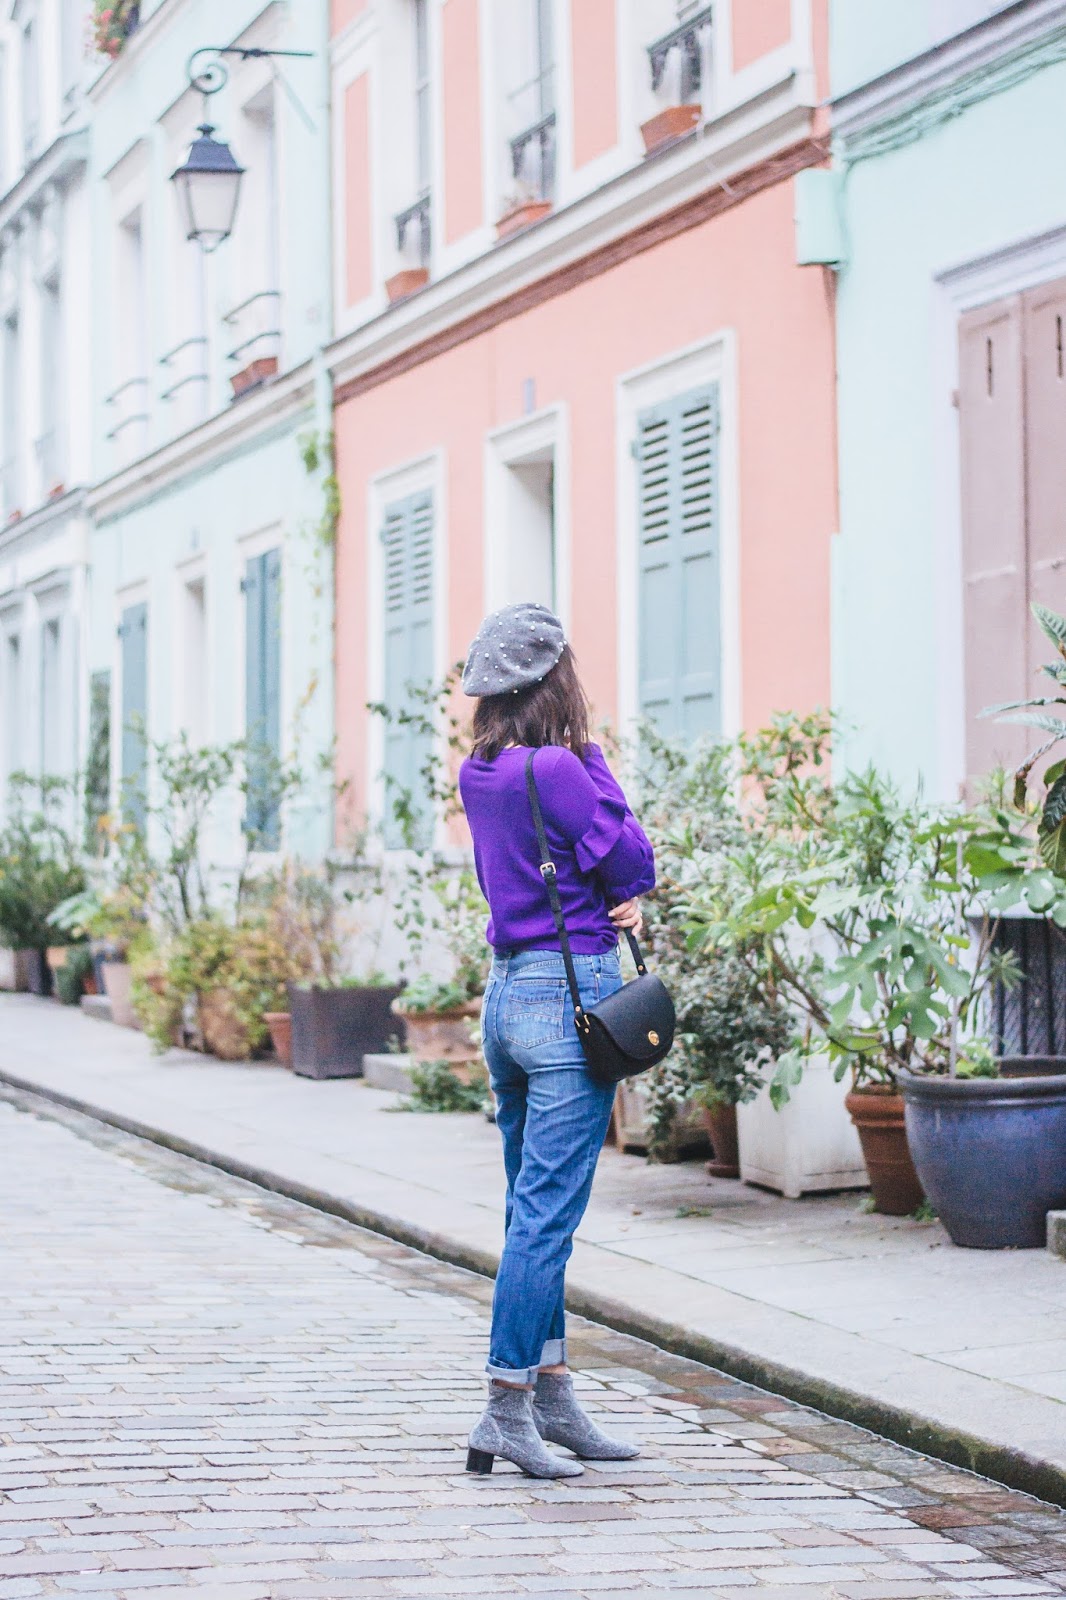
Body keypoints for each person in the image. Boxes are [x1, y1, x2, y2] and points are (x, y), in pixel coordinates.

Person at [458, 601, 655, 1478]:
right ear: (555, 682)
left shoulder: (481, 772)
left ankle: (552, 1395)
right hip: (569, 999)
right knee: (544, 1223)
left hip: (506, 1001)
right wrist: (592, 749)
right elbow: (634, 863)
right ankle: (506, 1404)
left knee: (529, 1217)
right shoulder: (563, 770)